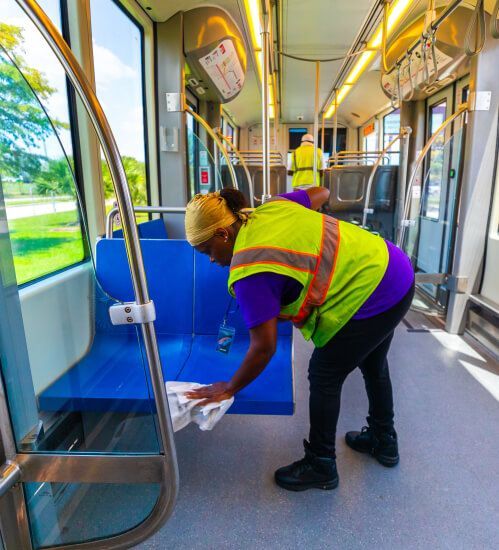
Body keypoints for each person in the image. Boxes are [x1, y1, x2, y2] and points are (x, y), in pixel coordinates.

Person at [184, 186, 415, 492]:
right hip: (392, 267)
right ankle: (383, 440)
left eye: (206, 250)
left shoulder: (250, 270)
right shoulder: (272, 207)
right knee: (373, 363)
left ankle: (321, 463)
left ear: (224, 234)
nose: (211, 260)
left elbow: (263, 348)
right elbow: (322, 192)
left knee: (324, 374)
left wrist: (230, 387)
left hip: (373, 291)